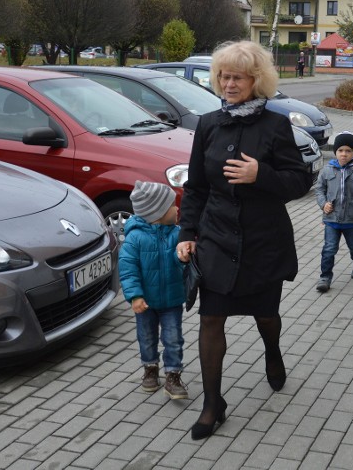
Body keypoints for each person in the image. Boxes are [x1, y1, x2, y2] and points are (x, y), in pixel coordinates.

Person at [176, 40, 312, 440]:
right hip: (217, 238)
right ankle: (212, 404)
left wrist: (262, 175)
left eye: (237, 77)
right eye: (223, 76)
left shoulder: (275, 125)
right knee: (210, 318)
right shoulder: (208, 124)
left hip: (262, 241)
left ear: (256, 80)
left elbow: (300, 181)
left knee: (265, 317)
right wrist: (187, 233)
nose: (228, 83)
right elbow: (196, 187)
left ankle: (272, 351)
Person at [118, 180, 189, 400]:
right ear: (157, 212)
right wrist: (135, 296)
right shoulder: (134, 239)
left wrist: (182, 259)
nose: (177, 209)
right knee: (146, 338)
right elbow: (128, 271)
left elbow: (181, 266)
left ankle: (173, 375)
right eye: (172, 205)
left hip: (172, 301)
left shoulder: (177, 234)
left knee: (173, 338)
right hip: (145, 303)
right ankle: (150, 369)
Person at [314, 131, 353, 293]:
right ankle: (325, 276)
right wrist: (323, 204)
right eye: (341, 150)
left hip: (351, 218)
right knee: (329, 248)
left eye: (348, 151)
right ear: (335, 152)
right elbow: (319, 189)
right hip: (331, 218)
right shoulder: (327, 170)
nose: (344, 154)